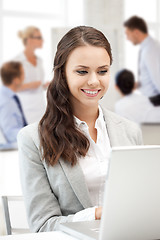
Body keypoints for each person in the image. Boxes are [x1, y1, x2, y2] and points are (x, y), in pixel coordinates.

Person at [17, 26, 143, 232]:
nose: (94, 81)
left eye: (102, 71)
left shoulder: (130, 131)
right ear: (62, 73)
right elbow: (42, 225)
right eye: (82, 71)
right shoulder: (32, 139)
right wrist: (96, 214)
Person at [14, 26, 49, 124]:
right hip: (25, 107)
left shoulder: (39, 60)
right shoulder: (18, 61)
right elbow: (12, 87)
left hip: (40, 106)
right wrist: (31, 85)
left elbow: (38, 85)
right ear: (29, 40)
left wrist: (44, 86)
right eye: (39, 38)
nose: (42, 40)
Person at [124, 16, 160, 106]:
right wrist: (139, 84)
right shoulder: (148, 47)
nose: (127, 38)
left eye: (128, 34)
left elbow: (158, 78)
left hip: (154, 102)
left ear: (136, 32)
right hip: (150, 100)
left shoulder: (150, 50)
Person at [0, 61, 27, 149]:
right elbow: (10, 133)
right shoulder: (6, 101)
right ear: (16, 80)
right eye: (23, 74)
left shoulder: (9, 96)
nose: (24, 77)